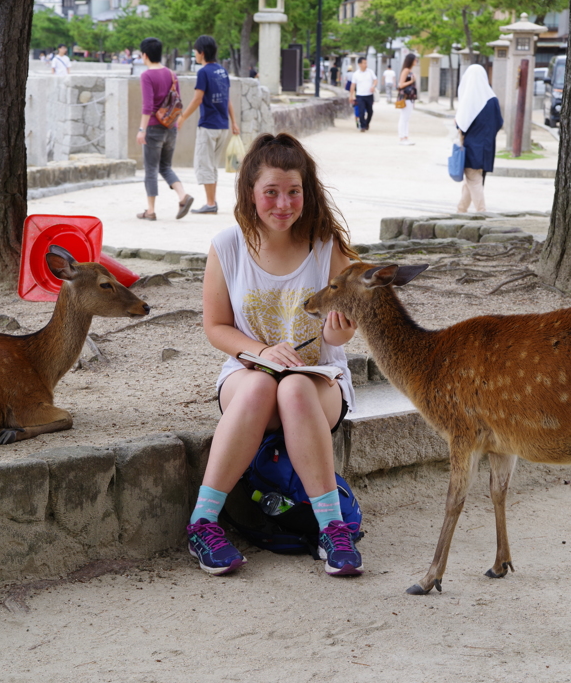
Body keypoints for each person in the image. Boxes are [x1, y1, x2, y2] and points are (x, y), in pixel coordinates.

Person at [188, 133, 363, 578]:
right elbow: (216, 327)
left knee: (296, 390)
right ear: (251, 192)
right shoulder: (227, 247)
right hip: (249, 374)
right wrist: (263, 351)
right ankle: (203, 524)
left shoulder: (328, 248)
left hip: (318, 381)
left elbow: (338, 337)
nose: (283, 204)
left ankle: (332, 530)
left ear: (307, 191)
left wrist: (337, 331)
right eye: (271, 192)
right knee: (265, 385)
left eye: (293, 191)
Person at [178, 35, 240, 215]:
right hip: (223, 125)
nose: (195, 54)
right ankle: (212, 202)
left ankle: (210, 203)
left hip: (208, 125)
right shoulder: (222, 71)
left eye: (195, 51)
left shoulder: (203, 72)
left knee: (205, 165)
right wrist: (234, 122)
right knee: (212, 165)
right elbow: (227, 99)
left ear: (202, 52)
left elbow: (197, 99)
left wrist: (182, 118)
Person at [135, 37, 193, 221]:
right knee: (165, 166)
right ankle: (183, 196)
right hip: (171, 127)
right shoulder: (171, 74)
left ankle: (150, 211)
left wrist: (141, 129)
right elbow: (178, 100)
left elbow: (148, 106)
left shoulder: (146, 76)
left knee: (151, 169)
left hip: (153, 128)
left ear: (145, 55)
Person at [455, 64, 503, 213]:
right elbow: (499, 122)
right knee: (472, 180)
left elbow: (461, 125)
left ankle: (481, 212)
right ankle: (460, 210)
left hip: (471, 148)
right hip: (487, 147)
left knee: (474, 181)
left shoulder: (469, 100)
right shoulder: (492, 99)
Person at [349, 57, 377, 132]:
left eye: (366, 63)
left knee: (370, 111)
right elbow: (353, 85)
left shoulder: (370, 72)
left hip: (369, 95)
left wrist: (373, 86)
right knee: (361, 111)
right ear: (359, 64)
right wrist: (351, 95)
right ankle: (363, 126)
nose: (366, 64)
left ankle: (367, 123)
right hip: (360, 95)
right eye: (364, 63)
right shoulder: (356, 74)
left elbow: (375, 80)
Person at [396, 54, 418, 146]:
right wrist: (411, 81)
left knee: (406, 118)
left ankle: (405, 137)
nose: (416, 61)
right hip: (406, 97)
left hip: (410, 98)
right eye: (415, 60)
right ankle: (402, 137)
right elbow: (401, 84)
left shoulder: (409, 71)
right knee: (404, 118)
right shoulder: (406, 71)